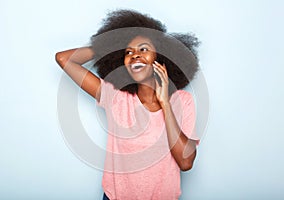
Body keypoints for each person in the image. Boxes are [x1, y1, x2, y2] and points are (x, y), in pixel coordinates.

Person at [56, 9, 200, 200]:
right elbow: (64, 59)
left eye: (143, 49)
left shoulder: (182, 101)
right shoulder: (116, 98)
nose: (134, 55)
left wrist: (165, 103)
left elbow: (185, 162)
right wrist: (109, 44)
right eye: (128, 52)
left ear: (160, 57)